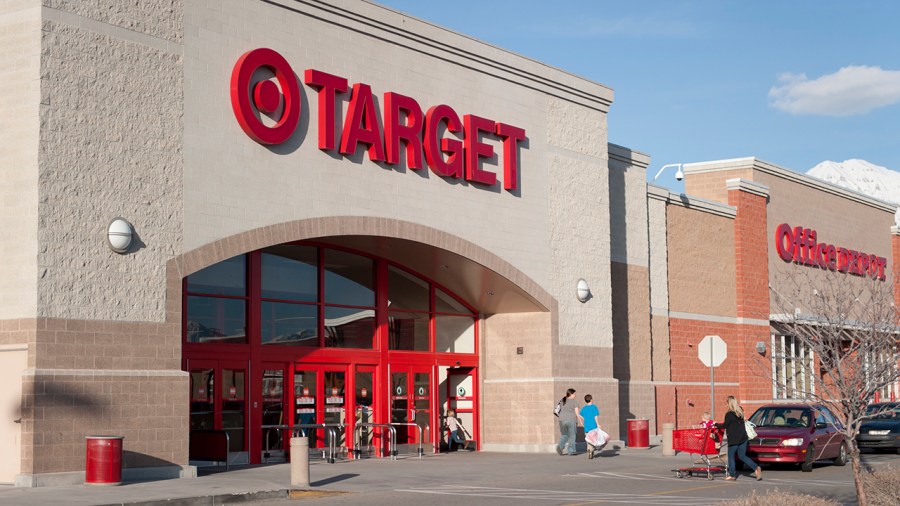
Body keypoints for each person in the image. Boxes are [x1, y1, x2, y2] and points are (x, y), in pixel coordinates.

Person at [716, 395, 762, 481]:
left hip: (734, 439)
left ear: (729, 403)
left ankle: (732, 475)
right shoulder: (740, 411)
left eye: (726, 403)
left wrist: (715, 424)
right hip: (743, 438)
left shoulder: (729, 414)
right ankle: (756, 467)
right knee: (742, 456)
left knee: (731, 456)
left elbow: (725, 425)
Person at [556, 388, 582, 456]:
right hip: (571, 420)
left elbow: (558, 409)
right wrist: (581, 422)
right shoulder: (574, 402)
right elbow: (577, 413)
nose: (575, 395)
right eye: (574, 394)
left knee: (565, 435)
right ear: (571, 394)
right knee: (572, 436)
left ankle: (560, 447)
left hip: (561, 420)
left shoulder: (562, 400)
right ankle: (571, 450)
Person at [581, 394, 601, 459]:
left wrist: (585, 419)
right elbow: (596, 416)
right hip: (593, 426)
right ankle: (591, 450)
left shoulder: (584, 408)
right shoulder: (594, 407)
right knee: (593, 439)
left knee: (588, 439)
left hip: (586, 426)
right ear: (591, 399)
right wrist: (598, 424)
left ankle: (589, 449)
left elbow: (580, 415)